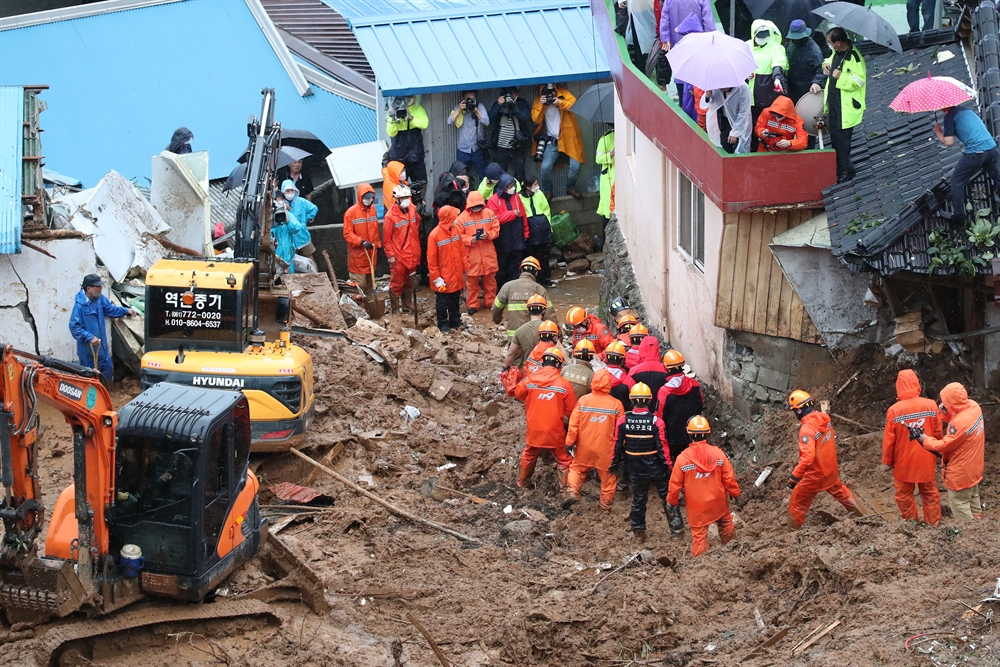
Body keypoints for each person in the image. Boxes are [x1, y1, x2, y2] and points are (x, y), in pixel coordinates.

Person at [785, 390, 864, 529]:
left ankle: (792, 535)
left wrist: (794, 477)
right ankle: (863, 516)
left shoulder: (807, 430)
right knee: (842, 493)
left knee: (796, 504)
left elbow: (807, 458)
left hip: (815, 475)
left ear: (798, 411)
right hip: (831, 470)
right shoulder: (825, 419)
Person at [667, 416, 740, 557]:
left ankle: (701, 563)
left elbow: (674, 484)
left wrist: (671, 501)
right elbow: (729, 477)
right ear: (708, 433)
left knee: (699, 536)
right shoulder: (718, 453)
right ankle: (732, 552)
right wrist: (735, 493)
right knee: (726, 523)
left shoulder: (683, 459)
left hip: (697, 507)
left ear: (689, 433)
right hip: (718, 502)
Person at [913, 382, 986, 521]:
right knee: (972, 497)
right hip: (974, 468)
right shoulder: (974, 406)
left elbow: (945, 444)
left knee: (960, 504)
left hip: (960, 473)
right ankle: (978, 523)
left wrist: (924, 439)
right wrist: (946, 413)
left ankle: (969, 533)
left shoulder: (960, 422)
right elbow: (957, 423)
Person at [611, 382, 675, 539]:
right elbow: (663, 447)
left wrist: (614, 464)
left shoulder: (623, 421)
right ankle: (677, 531)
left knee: (638, 500)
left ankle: (639, 532)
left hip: (635, 468)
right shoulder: (656, 422)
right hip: (656, 468)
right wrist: (669, 467)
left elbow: (617, 445)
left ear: (632, 400)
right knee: (668, 498)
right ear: (649, 401)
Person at [881, 370, 943, 526]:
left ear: (898, 386)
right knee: (930, 493)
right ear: (917, 383)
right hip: (927, 458)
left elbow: (889, 441)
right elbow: (938, 433)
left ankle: (912, 525)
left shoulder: (894, 410)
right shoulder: (931, 405)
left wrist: (887, 460)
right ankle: (933, 526)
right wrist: (939, 452)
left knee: (904, 496)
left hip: (903, 462)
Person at [514, 347, 577, 488]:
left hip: (534, 430)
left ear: (543, 363)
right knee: (563, 460)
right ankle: (565, 490)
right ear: (558, 365)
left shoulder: (529, 380)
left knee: (529, 454)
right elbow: (572, 412)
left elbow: (518, 394)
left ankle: (522, 483)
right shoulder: (564, 385)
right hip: (555, 432)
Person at [565, 370, 626, 510]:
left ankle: (573, 491)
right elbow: (620, 430)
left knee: (577, 469)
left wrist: (569, 442)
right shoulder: (617, 405)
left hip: (584, 446)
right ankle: (605, 506)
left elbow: (573, 425)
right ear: (609, 384)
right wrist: (621, 448)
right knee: (608, 477)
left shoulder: (583, 401)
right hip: (606, 449)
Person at [812, 27, 866, 183]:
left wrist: (841, 77)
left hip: (846, 106)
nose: (828, 45)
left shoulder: (854, 57)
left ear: (837, 43)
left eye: (830, 42)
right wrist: (826, 65)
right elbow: (829, 60)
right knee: (835, 138)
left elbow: (859, 82)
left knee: (843, 141)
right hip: (835, 103)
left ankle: (846, 170)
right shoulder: (837, 53)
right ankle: (839, 167)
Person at [935, 105, 1000, 226]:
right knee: (996, 176)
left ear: (943, 108)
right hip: (992, 148)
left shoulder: (950, 117)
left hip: (976, 153)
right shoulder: (968, 110)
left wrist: (938, 132)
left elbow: (949, 142)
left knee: (956, 181)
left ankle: (959, 217)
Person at [69, 274, 137, 385]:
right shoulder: (80, 306)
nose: (101, 289)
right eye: (98, 287)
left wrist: (125, 311)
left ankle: (107, 397)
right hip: (88, 353)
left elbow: (110, 310)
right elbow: (74, 327)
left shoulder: (100, 299)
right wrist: (89, 337)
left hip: (102, 350)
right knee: (89, 382)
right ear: (89, 289)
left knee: (107, 375)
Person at [531, 83, 586, 200]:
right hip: (552, 141)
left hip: (568, 138)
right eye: (547, 94)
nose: (550, 96)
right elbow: (535, 119)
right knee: (545, 168)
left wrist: (560, 103)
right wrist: (541, 104)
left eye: (551, 93)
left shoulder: (563, 94)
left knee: (576, 166)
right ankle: (548, 191)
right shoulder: (539, 100)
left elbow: (575, 104)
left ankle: (570, 187)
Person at [658, 0, 716, 100]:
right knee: (696, 69)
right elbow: (708, 21)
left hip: (677, 40)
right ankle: (693, 95)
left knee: (680, 68)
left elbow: (665, 17)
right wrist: (711, 39)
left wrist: (665, 37)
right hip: (697, 41)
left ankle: (680, 95)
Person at [746, 19, 789, 150]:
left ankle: (767, 151)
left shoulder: (776, 48)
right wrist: (744, 72)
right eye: (759, 35)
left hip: (767, 96)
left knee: (767, 126)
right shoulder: (746, 46)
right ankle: (752, 151)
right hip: (748, 95)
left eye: (765, 34)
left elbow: (778, 64)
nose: (762, 38)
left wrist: (777, 78)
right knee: (750, 127)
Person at [656, 350, 704, 463]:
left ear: (666, 368)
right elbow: (700, 405)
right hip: (692, 434)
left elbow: (659, 415)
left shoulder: (664, 391)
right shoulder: (695, 385)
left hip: (672, 437)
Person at [457, 191, 499, 315]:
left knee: (490, 281)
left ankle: (490, 302)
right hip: (471, 254)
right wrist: (471, 240)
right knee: (471, 283)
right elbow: (458, 236)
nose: (477, 208)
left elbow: (496, 229)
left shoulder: (489, 213)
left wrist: (488, 235)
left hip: (487, 252)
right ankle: (472, 304)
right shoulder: (462, 218)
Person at [426, 205, 467, 333]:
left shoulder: (455, 230)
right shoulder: (434, 236)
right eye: (454, 216)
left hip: (455, 273)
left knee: (455, 299)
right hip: (443, 276)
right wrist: (436, 278)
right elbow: (431, 260)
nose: (456, 219)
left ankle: (455, 320)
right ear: (448, 218)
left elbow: (461, 251)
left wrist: (465, 267)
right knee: (442, 302)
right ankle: (443, 323)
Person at [383, 184, 422, 314]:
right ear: (396, 199)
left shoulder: (412, 210)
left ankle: (407, 305)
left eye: (407, 197)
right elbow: (387, 239)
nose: (406, 199)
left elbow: (417, 225)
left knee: (410, 281)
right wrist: (390, 255)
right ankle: (395, 310)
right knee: (396, 283)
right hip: (399, 256)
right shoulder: (390, 216)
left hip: (412, 253)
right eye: (403, 197)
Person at [492, 256, 551, 337]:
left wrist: (497, 320)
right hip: (532, 337)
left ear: (522, 270)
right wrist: (557, 336)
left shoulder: (508, 286)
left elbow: (496, 308)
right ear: (536, 272)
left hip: (513, 336)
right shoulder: (540, 289)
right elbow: (549, 315)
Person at [488, 174, 529, 286]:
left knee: (516, 265)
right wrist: (512, 214)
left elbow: (523, 215)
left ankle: (515, 288)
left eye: (513, 185)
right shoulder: (493, 201)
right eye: (510, 186)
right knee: (502, 266)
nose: (513, 188)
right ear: (503, 187)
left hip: (517, 238)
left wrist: (526, 232)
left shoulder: (516, 197)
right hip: (503, 239)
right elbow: (495, 219)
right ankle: (501, 290)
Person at [342, 184, 381, 296]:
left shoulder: (373, 210)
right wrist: (361, 242)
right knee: (359, 286)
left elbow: (375, 230)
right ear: (360, 197)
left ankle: (369, 308)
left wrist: (377, 245)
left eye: (370, 198)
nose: (368, 200)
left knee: (370, 285)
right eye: (366, 198)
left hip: (371, 255)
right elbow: (347, 234)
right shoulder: (351, 213)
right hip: (358, 257)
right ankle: (359, 309)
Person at [488, 87, 533, 182]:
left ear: (516, 94)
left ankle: (519, 195)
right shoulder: (499, 104)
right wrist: (498, 105)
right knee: (500, 175)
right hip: (501, 147)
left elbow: (526, 118)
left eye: (512, 94)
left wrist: (514, 107)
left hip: (518, 146)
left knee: (520, 175)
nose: (510, 97)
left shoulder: (522, 103)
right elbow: (490, 118)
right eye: (507, 95)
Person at [386, 95, 429, 184]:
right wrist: (392, 117)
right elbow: (391, 132)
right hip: (398, 154)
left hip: (415, 153)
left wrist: (411, 118)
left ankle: (420, 198)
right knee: (399, 184)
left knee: (421, 182)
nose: (407, 99)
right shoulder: (394, 110)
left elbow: (424, 124)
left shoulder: (418, 109)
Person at [448, 90, 490, 181]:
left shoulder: (479, 106)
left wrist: (476, 110)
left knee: (483, 176)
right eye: (468, 99)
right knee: (460, 177)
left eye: (472, 99)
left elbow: (487, 122)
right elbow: (449, 121)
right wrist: (459, 109)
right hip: (463, 149)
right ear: (464, 98)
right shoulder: (459, 107)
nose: (470, 101)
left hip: (477, 148)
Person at [521, 177, 554, 286]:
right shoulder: (520, 198)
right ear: (527, 187)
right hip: (531, 230)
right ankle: (532, 279)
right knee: (531, 256)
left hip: (542, 229)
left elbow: (546, 210)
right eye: (534, 185)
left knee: (544, 255)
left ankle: (545, 278)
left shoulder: (539, 194)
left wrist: (548, 226)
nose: (537, 187)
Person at [704, 84, 752, 154]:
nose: (721, 88)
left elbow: (744, 112)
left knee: (739, 148)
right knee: (725, 146)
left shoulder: (743, 88)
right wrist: (708, 96)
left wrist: (736, 131)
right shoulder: (716, 86)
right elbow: (711, 103)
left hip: (739, 123)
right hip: (723, 121)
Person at [504, 294, 548, 370]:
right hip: (545, 371)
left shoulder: (520, 330)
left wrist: (504, 369)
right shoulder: (549, 328)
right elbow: (560, 350)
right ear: (544, 310)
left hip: (528, 370)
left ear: (528, 311)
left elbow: (510, 354)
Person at [785, 19, 825, 104]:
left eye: (798, 38)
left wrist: (817, 82)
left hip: (806, 88)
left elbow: (821, 69)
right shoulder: (791, 43)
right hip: (791, 85)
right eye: (793, 38)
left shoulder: (814, 51)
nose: (795, 40)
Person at [628, 334, 669, 412]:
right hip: (661, 410)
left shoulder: (634, 371)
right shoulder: (665, 370)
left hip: (640, 410)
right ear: (657, 350)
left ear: (641, 349)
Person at [281, 179, 317, 260]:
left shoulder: (301, 201)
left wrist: (308, 217)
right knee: (292, 260)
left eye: (291, 190)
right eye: (287, 191)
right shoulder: (280, 204)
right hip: (289, 238)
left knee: (310, 258)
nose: (290, 193)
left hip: (302, 235)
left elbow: (314, 208)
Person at [272, 203, 307, 272]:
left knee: (290, 279)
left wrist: (288, 221)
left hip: (288, 257)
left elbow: (297, 229)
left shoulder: (288, 215)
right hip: (274, 258)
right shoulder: (267, 218)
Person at [605, 340, 635, 412]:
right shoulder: (629, 382)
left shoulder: (597, 377)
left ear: (606, 359)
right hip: (622, 418)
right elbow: (633, 404)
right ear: (623, 361)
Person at [596, 127, 615, 222]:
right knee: (607, 211)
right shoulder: (606, 139)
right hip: (608, 179)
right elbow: (598, 159)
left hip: (615, 178)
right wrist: (611, 154)